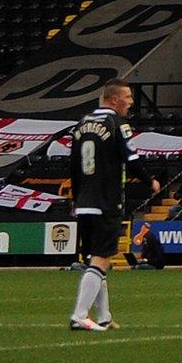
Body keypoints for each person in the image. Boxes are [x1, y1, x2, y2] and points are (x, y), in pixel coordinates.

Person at [68, 79, 148, 332]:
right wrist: (151, 181)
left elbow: (73, 165)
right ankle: (80, 315)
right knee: (101, 260)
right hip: (105, 200)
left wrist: (76, 198)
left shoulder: (81, 124)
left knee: (97, 259)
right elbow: (132, 159)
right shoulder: (118, 124)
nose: (131, 103)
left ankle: (103, 316)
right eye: (129, 98)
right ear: (114, 99)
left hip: (84, 202)